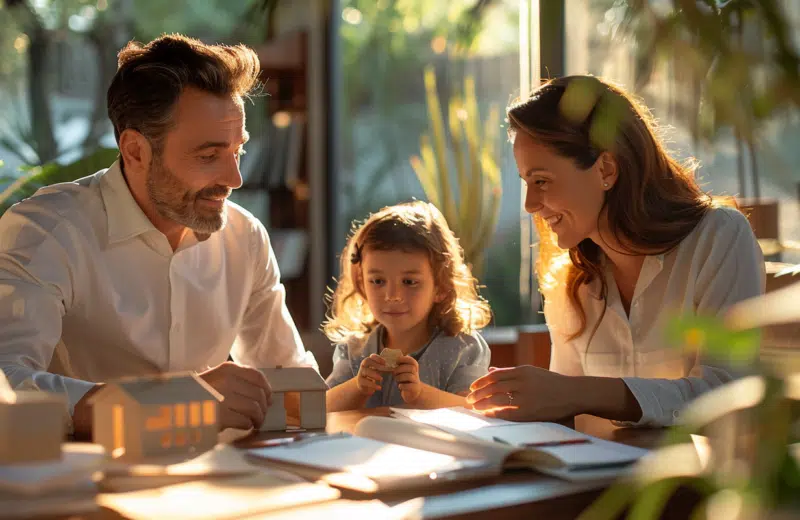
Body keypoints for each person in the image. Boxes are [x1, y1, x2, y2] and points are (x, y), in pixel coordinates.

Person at [0, 34, 317, 437]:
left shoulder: (245, 237)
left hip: (217, 480)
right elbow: (6, 384)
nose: (233, 179)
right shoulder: (47, 232)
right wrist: (176, 401)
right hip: (84, 483)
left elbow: (291, 382)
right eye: (208, 156)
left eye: (237, 152)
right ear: (134, 151)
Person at [467, 75, 765, 427]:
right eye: (526, 182)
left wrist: (576, 393)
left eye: (542, 181)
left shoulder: (718, 238)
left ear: (606, 169)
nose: (531, 205)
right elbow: (562, 414)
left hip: (699, 479)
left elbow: (726, 394)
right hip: (596, 480)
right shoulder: (566, 279)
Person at [324, 201, 492, 411]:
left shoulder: (463, 347)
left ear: (440, 286)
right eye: (377, 281)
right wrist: (357, 388)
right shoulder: (354, 349)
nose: (392, 296)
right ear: (361, 283)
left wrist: (421, 394)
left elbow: (474, 410)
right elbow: (322, 409)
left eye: (409, 282)